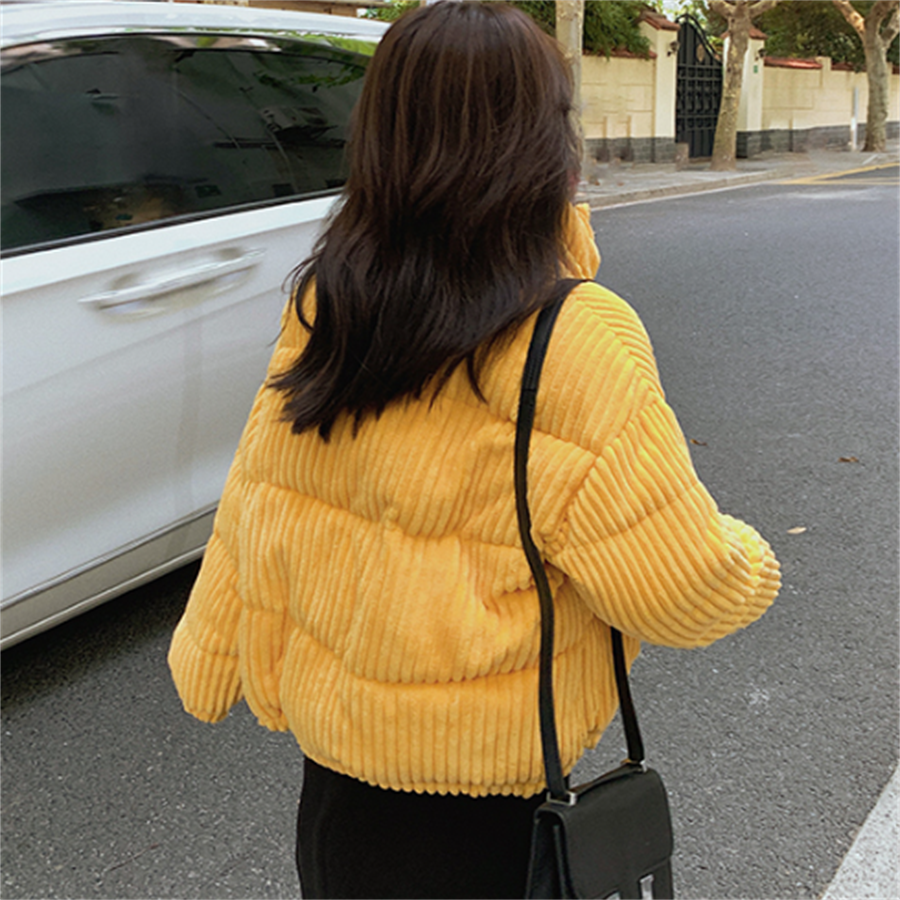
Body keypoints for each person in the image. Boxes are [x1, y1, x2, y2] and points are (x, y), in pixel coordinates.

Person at [168, 3, 781, 898]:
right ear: (544, 144)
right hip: (489, 820)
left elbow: (262, 492)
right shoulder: (574, 336)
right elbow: (681, 591)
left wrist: (212, 649)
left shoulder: (331, 301)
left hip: (336, 801)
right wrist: (749, 558)